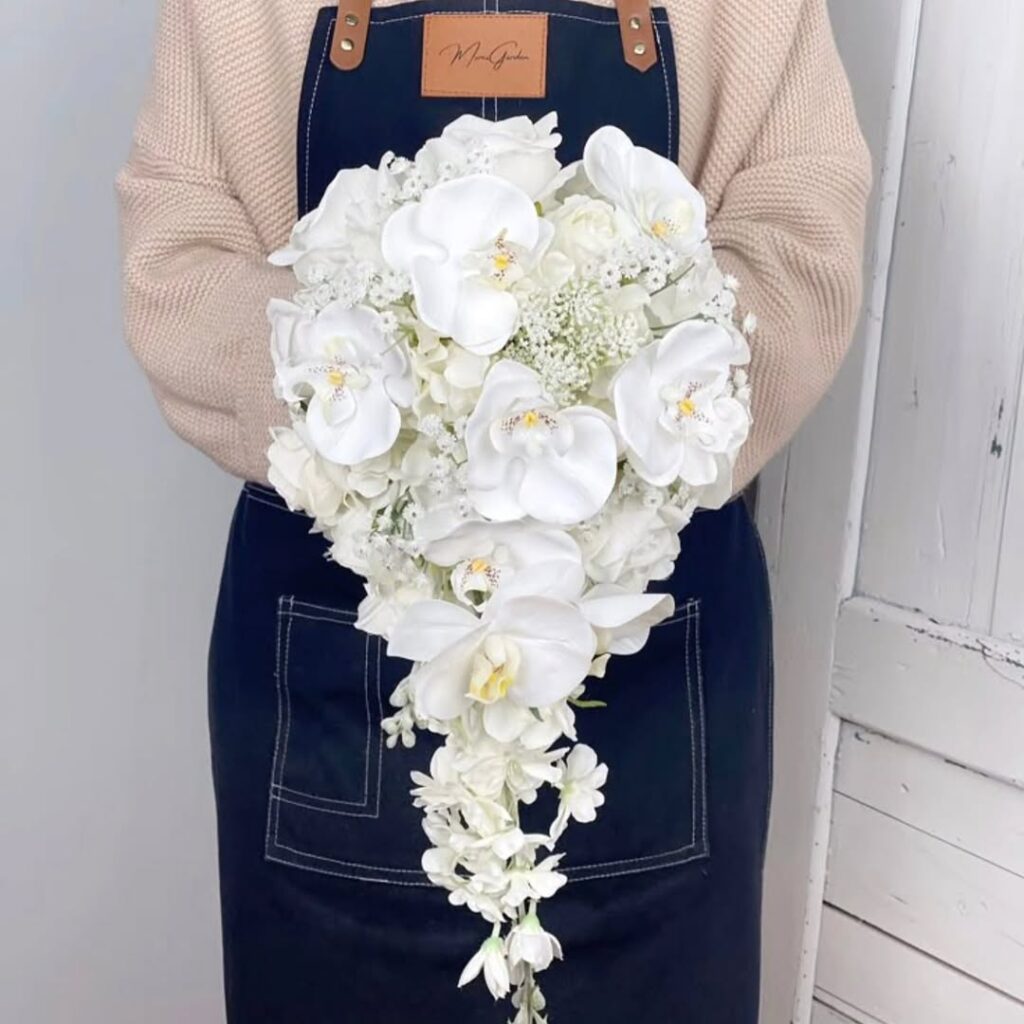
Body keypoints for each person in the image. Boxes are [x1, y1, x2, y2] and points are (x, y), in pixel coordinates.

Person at [117, 1, 870, 1020]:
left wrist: (609, 405)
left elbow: (803, 239)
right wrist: (395, 409)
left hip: (656, 675)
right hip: (331, 679)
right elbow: (174, 258)